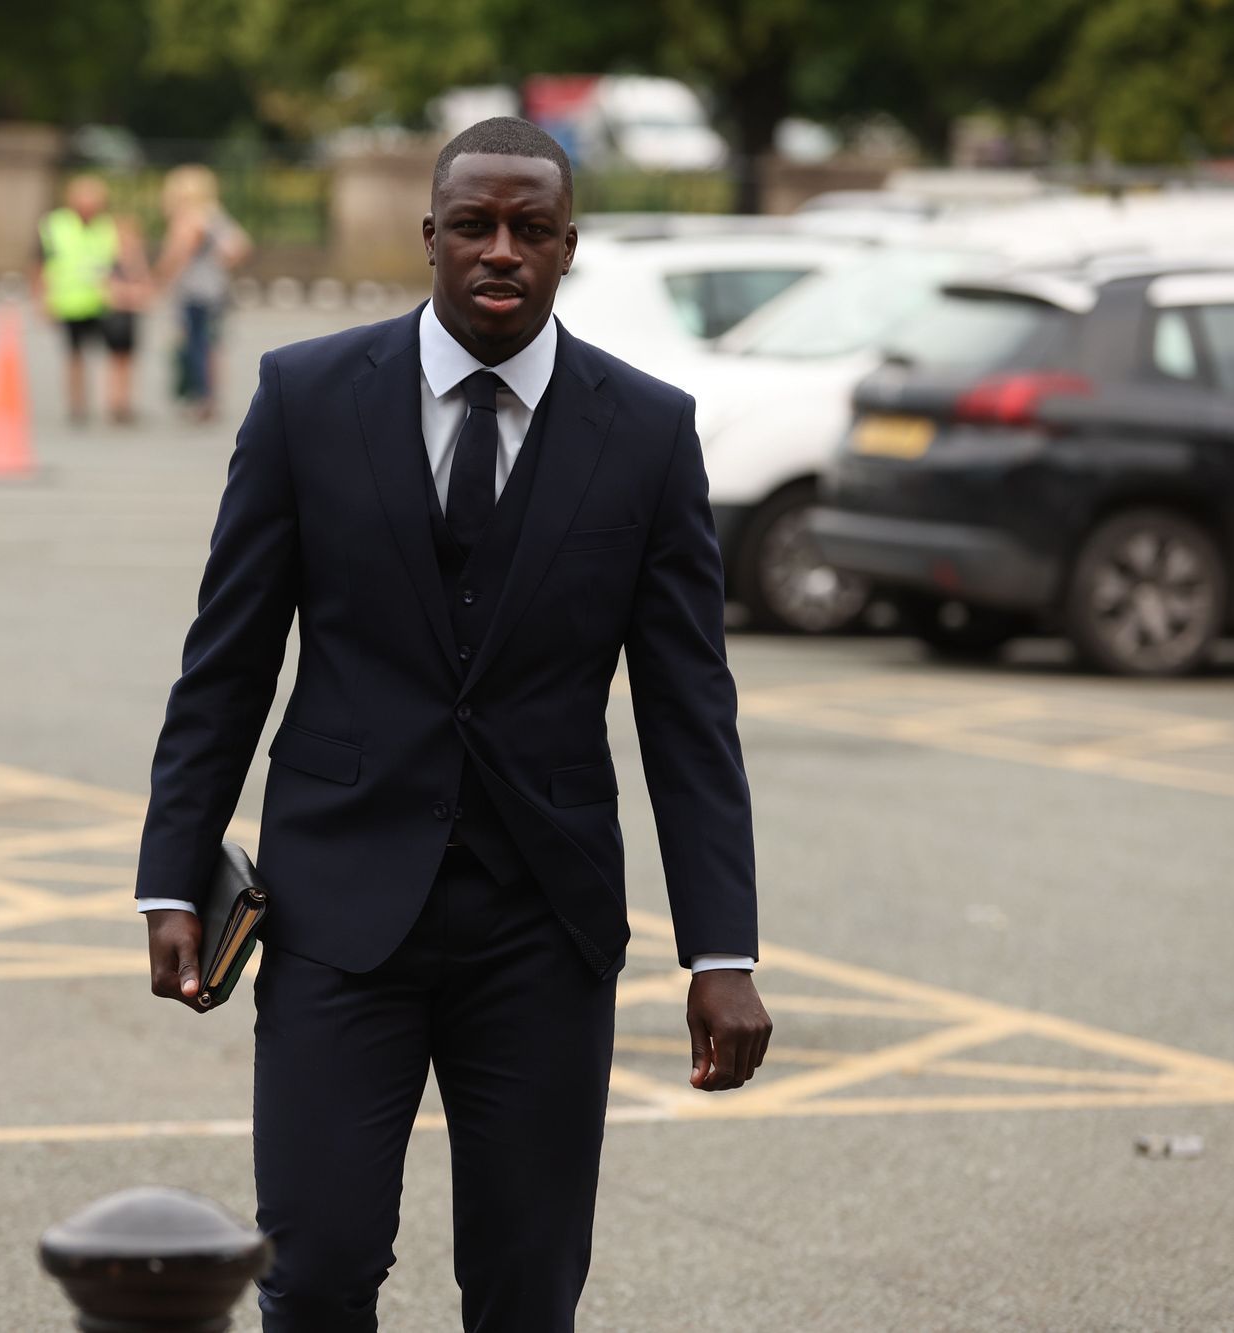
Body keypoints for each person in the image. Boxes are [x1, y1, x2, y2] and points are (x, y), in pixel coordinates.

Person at [136, 117, 771, 1332]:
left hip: (543, 925)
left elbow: (690, 711)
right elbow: (226, 663)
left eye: (530, 230)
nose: (500, 251)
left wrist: (720, 952)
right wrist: (171, 874)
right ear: (428, 236)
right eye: (473, 225)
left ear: (566, 247)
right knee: (313, 1274)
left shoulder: (642, 431)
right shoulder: (306, 398)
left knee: (525, 1293)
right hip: (336, 912)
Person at [34, 174, 150, 424]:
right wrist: (43, 300)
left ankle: (117, 403)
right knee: (74, 355)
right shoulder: (54, 225)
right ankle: (77, 405)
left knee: (116, 353)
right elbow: (41, 264)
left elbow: (124, 264)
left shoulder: (109, 227)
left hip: (105, 301)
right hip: (70, 301)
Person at [154, 164, 251, 421]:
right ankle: (210, 397)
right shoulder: (214, 214)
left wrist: (159, 280)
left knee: (194, 343)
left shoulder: (189, 217)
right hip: (215, 290)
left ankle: (201, 398)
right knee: (210, 344)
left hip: (194, 291)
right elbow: (239, 246)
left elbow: (177, 254)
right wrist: (218, 265)